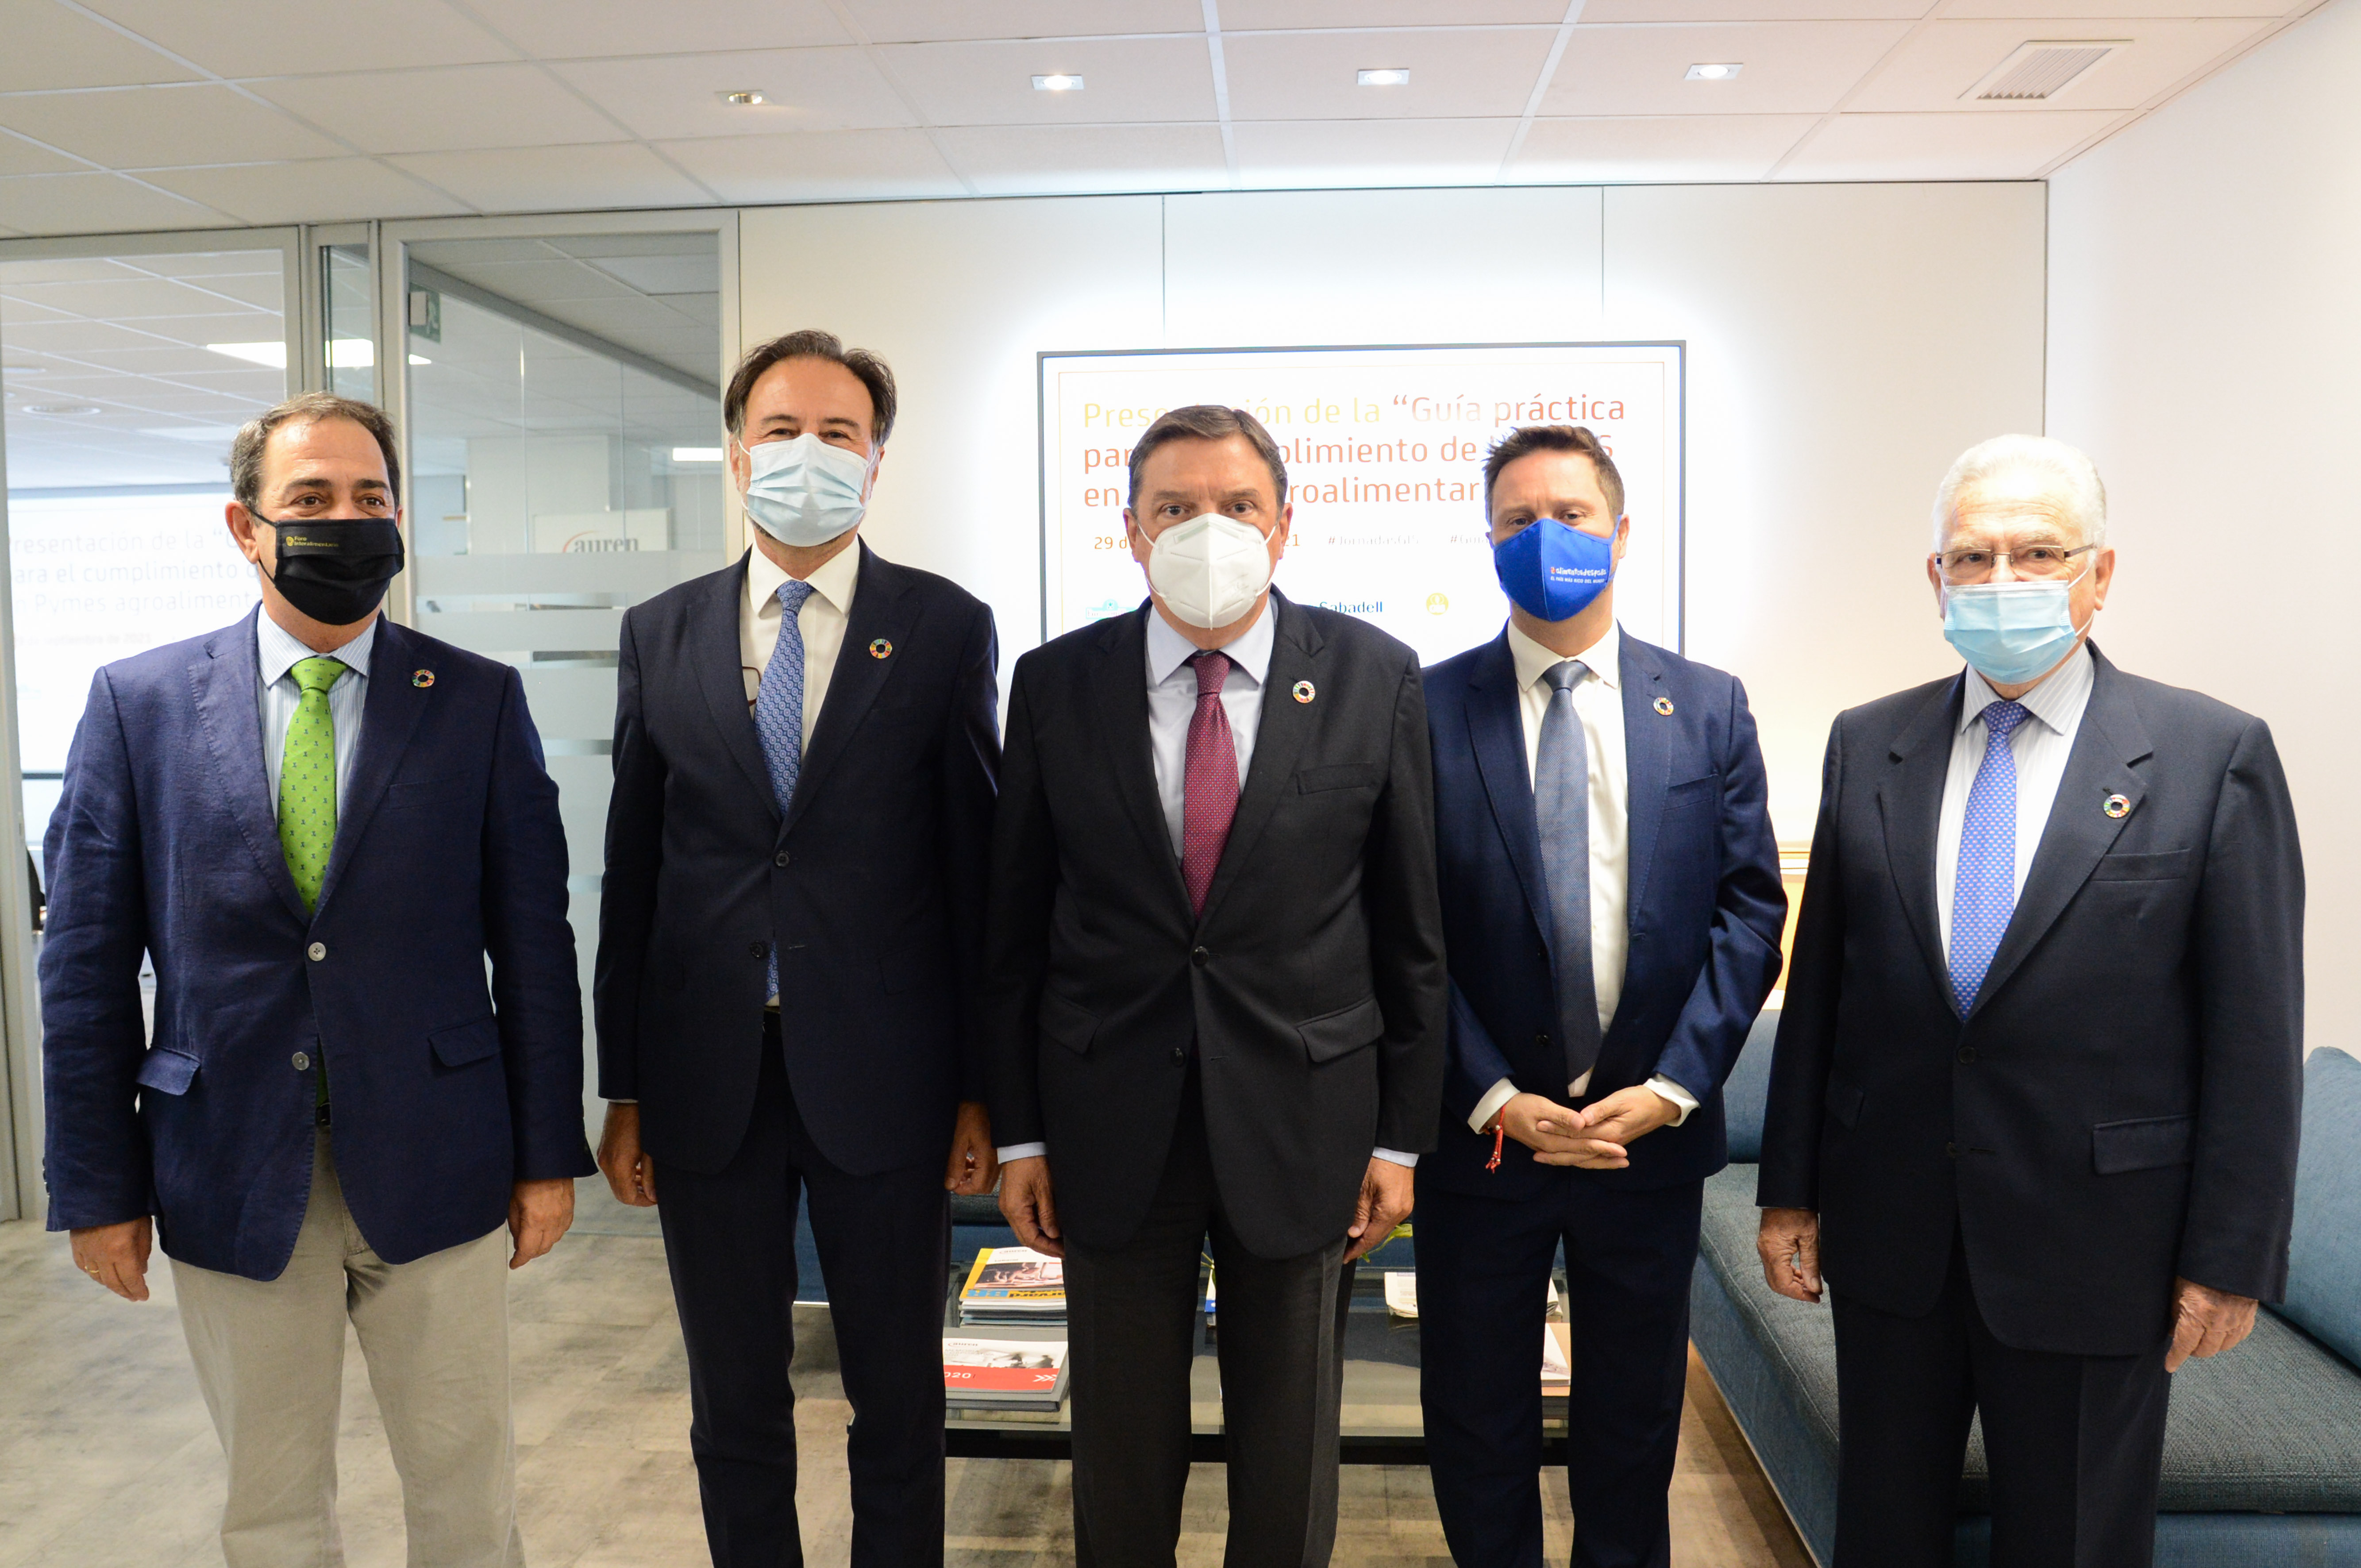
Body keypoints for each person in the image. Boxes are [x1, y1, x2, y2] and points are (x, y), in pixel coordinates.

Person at [41, 391, 591, 1568]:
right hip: (229, 1163)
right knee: (272, 1508)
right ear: (246, 526)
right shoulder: (139, 706)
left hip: (438, 1155)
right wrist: (96, 1186)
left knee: (466, 1497)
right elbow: (84, 966)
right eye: (312, 498)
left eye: (369, 497)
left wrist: (548, 1153)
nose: (347, 520)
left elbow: (535, 947)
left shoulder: (477, 700)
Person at [1756, 434, 2304, 1566]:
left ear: (2100, 573)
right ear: (1935, 578)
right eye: (1973, 556)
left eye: (2039, 552)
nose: (2002, 578)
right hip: (1892, 1235)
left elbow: (2253, 1033)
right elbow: (1824, 992)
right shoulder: (1870, 741)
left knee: (2073, 1541)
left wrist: (2230, 1255)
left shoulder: (2210, 753)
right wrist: (1788, 1190)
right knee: (1884, 1532)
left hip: (2098, 1245)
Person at [985, 405, 1447, 1567]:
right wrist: (1022, 1135)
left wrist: (1398, 1138)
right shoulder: (1054, 683)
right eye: (1177, 506)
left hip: (1305, 1117)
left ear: (1285, 525)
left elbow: (1411, 933)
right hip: (1108, 1117)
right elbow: (1015, 933)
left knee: (1288, 1451)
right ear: (1130, 529)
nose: (1210, 528)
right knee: (1120, 1449)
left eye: (1239, 505)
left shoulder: (1374, 676)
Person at [594, 330, 1001, 1566]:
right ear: (736, 454)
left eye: (838, 432)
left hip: (888, 1075)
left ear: (876, 461)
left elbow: (974, 875)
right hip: (706, 1076)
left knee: (898, 1395)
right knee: (734, 1400)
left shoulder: (942, 626)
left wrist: (982, 1086)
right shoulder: (661, 630)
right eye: (780, 431)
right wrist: (624, 1087)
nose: (806, 453)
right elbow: (634, 872)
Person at [1415, 424, 1786, 1568]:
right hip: (1484, 1143)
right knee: (1476, 1423)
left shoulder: (1708, 705)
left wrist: (1674, 1086)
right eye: (1517, 520)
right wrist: (1490, 1094)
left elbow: (1749, 913)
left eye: (1570, 515)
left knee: (1631, 1430)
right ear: (1488, 542)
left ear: (1621, 533)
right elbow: (1403, 933)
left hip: (1646, 1144)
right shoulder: (1421, 707)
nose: (1545, 537)